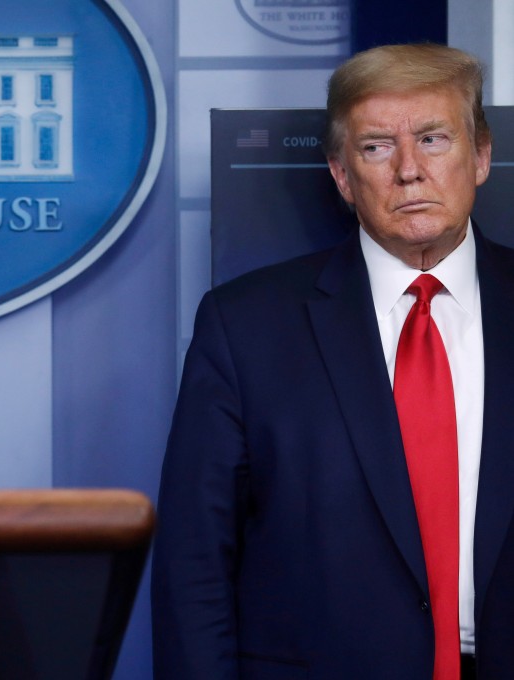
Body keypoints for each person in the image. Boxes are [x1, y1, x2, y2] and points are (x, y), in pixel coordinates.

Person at [152, 44, 514, 680]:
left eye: (433, 138)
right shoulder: (245, 325)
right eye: (376, 146)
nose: (409, 170)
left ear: (480, 156)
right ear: (342, 175)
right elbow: (195, 563)